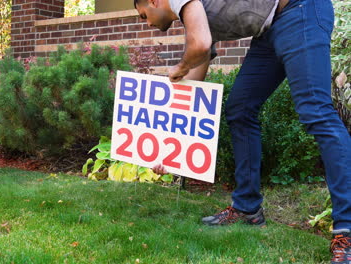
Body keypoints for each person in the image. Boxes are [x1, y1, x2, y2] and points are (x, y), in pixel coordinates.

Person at [134, 0, 351, 262]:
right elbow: (192, 88)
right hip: (268, 31)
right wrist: (169, 149)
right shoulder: (195, 17)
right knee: (240, 109)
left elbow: (199, 47)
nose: (147, 23)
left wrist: (179, 67)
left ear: (155, 1)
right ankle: (247, 209)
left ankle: (346, 229)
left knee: (316, 113)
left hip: (300, 9)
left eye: (144, 14)